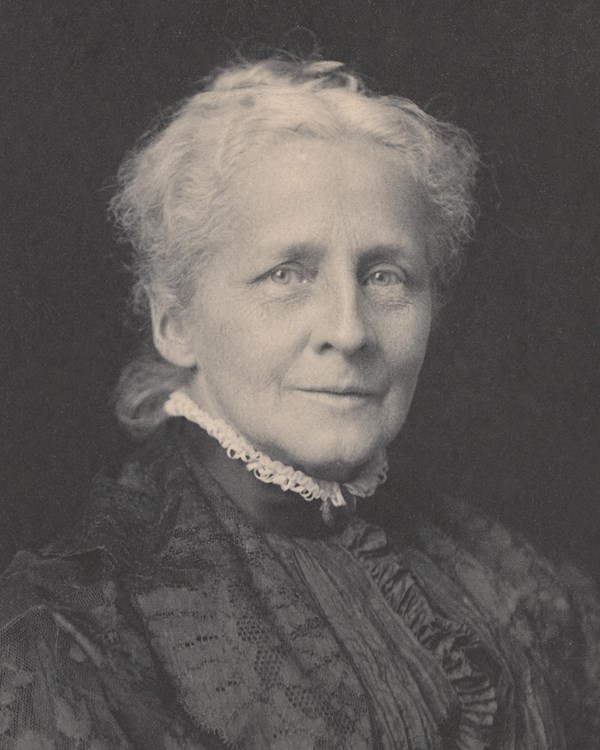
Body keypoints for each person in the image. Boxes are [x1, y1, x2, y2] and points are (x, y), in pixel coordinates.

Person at [0, 58, 598, 750]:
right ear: (176, 322)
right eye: (287, 273)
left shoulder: (528, 587)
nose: (348, 330)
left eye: (385, 275)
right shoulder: (70, 638)